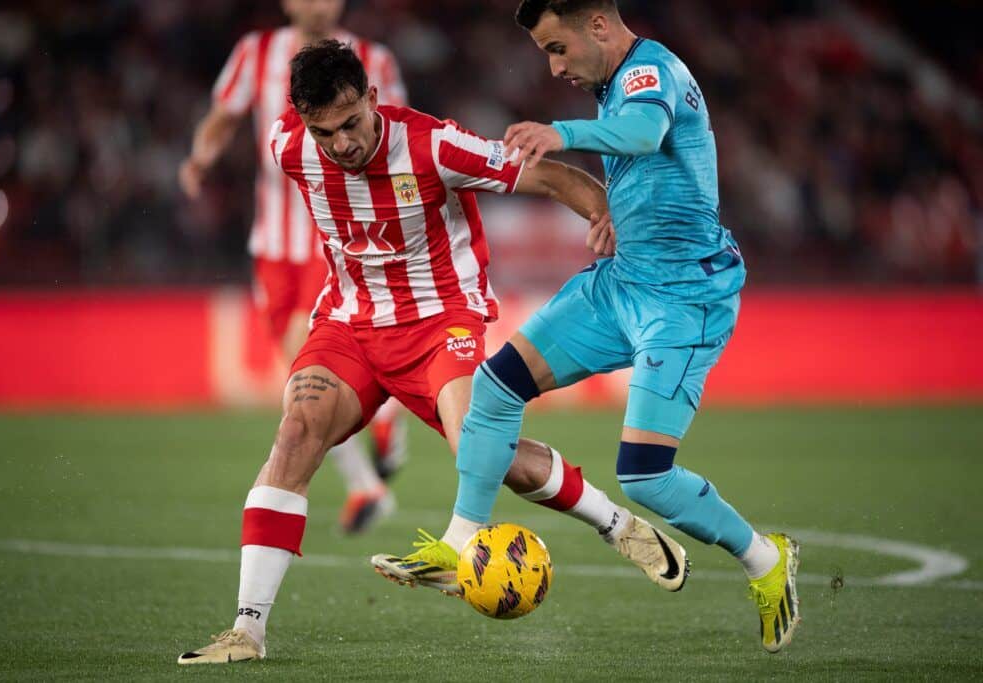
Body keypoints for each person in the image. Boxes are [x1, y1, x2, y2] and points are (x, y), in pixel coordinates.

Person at [176, 39, 662, 665]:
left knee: (483, 452)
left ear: (374, 99)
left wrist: (603, 213)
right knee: (295, 434)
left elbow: (549, 175)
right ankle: (248, 631)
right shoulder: (287, 146)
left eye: (352, 123)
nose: (343, 144)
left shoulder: (435, 144)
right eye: (326, 132)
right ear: (302, 121)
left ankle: (620, 527)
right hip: (351, 324)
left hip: (440, 324)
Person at [379, 0, 801, 655]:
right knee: (493, 390)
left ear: (599, 25)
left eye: (558, 48)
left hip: (684, 299)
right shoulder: (613, 81)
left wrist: (561, 134)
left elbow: (641, 134)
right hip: (621, 283)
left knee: (645, 476)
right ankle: (460, 545)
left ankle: (765, 559)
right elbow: (646, 165)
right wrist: (616, 216)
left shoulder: (648, 71)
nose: (553, 67)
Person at [179, 0, 408, 534]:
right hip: (272, 240)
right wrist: (200, 156)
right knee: (296, 366)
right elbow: (222, 117)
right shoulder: (254, 53)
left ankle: (369, 476)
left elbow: (396, 135)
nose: (317, 5)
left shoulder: (375, 59)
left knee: (306, 360)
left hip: (333, 233)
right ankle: (374, 457)